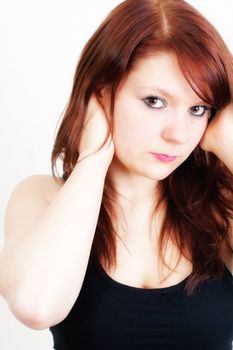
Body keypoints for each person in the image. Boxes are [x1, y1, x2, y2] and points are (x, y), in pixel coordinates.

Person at [0, 0, 233, 349]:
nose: (178, 134)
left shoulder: (218, 204)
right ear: (102, 94)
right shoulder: (42, 198)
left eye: (197, 109)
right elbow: (36, 306)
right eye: (155, 101)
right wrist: (94, 155)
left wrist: (229, 145)